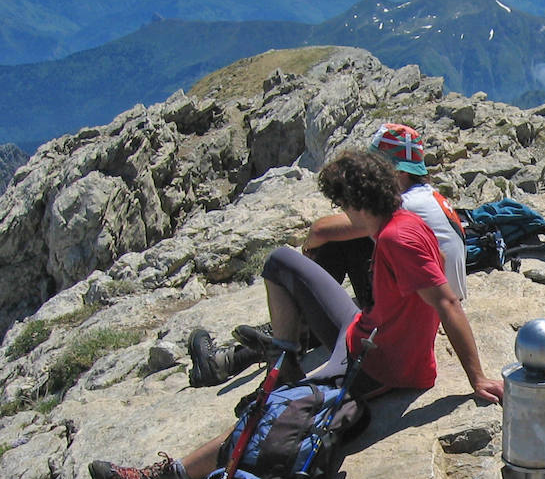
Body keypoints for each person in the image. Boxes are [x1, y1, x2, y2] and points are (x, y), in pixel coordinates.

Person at [89, 150, 503, 479]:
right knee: (280, 262)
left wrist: (477, 378)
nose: (342, 210)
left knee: (268, 416)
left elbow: (447, 303)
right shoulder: (399, 220)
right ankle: (283, 359)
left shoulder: (398, 238)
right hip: (362, 331)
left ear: (355, 202)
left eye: (341, 203)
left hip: (378, 364)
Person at [189, 122, 468, 385]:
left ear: (399, 173)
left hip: (415, 310)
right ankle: (247, 352)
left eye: (378, 168)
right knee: (334, 282)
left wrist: (309, 253)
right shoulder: (427, 196)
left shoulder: (401, 206)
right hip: (420, 299)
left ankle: (248, 352)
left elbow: (321, 230)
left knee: (337, 245)